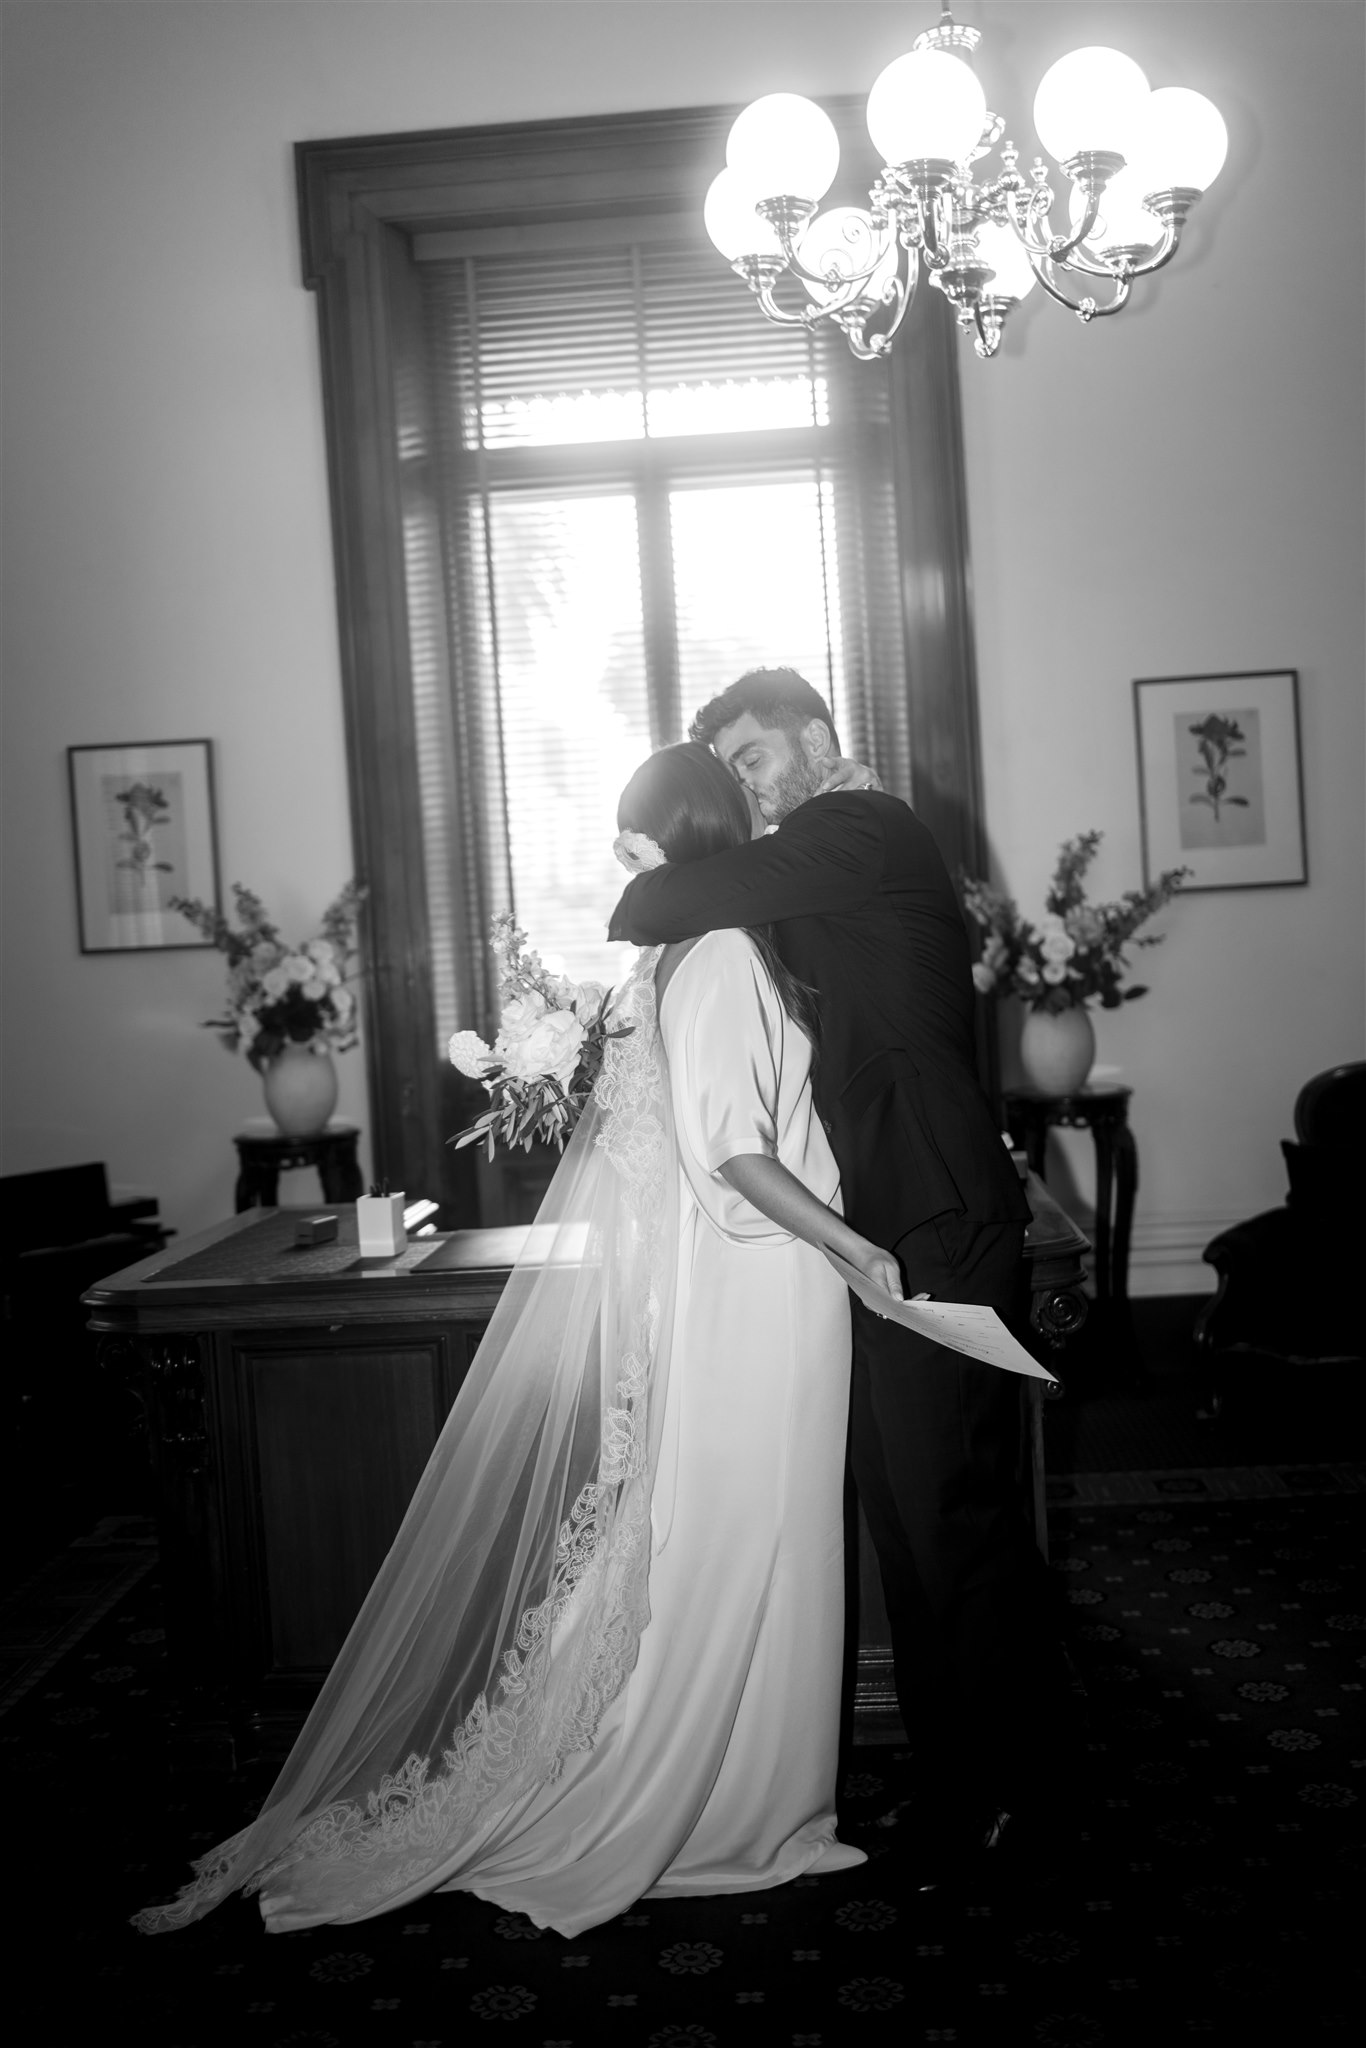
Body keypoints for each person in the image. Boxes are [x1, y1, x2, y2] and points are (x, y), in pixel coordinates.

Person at [135, 741, 897, 1939]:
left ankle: (767, 1802)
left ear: (682, 833)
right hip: (768, 1285)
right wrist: (857, 1247)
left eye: (634, 833)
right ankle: (743, 1811)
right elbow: (732, 1154)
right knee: (755, 1537)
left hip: (742, 1289)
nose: (617, 856)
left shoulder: (683, 956)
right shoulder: (717, 959)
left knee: (749, 1535)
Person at [608, 668, 1073, 1877]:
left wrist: (642, 865)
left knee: (944, 1512)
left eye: (755, 756)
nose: (752, 786)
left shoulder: (858, 827)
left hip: (934, 1205)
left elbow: (676, 897)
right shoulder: (821, 855)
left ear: (817, 738)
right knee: (915, 1511)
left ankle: (1004, 1787)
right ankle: (975, 1766)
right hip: (885, 1213)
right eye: (738, 769)